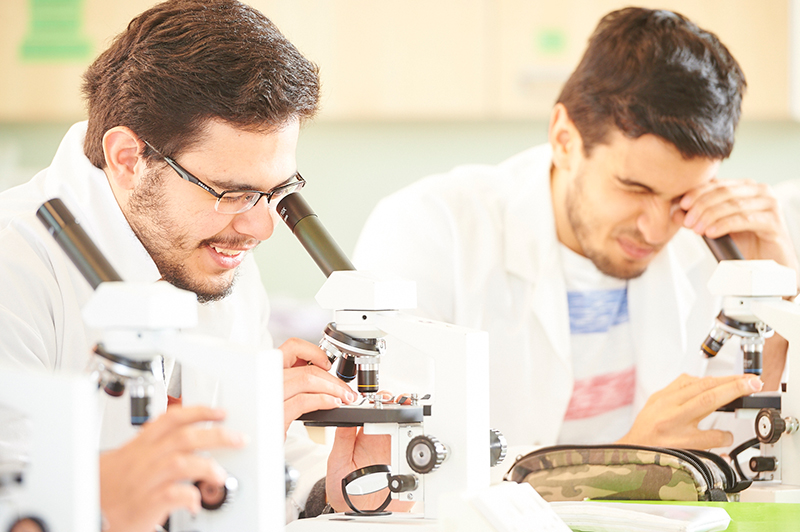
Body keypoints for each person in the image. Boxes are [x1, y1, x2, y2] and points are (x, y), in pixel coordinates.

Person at [0, 1, 391, 529]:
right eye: (232, 193)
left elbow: (275, 484)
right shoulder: (16, 266)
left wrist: (332, 491)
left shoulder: (213, 252)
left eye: (276, 193)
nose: (261, 228)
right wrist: (98, 503)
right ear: (128, 158)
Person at [353, 7, 799, 463]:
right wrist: (624, 462)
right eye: (634, 188)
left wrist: (782, 300)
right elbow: (400, 466)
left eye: (681, 196)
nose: (657, 228)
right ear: (565, 139)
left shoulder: (714, 245)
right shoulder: (429, 231)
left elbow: (742, 446)